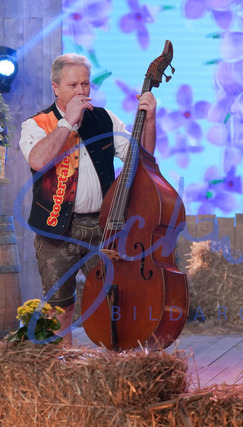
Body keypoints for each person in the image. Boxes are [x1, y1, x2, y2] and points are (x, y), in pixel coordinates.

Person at [19, 53, 157, 345]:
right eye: (73, 85)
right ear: (56, 87)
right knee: (60, 309)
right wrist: (67, 122)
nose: (81, 91)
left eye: (85, 84)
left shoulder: (104, 118)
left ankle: (113, 364)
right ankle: (63, 365)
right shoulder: (36, 124)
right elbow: (38, 161)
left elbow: (141, 159)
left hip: (102, 227)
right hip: (55, 232)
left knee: (113, 302)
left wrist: (150, 120)